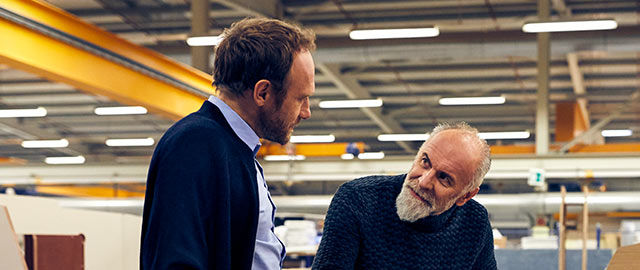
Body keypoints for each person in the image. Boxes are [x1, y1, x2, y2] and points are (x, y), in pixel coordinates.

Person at [140, 18, 316, 269]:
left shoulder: (234, 150)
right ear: (262, 93)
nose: (306, 112)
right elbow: (175, 260)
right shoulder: (194, 146)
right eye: (301, 98)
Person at [312, 122, 497, 269]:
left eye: (444, 178)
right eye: (425, 162)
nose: (424, 181)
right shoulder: (357, 200)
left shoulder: (475, 223)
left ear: (465, 196)